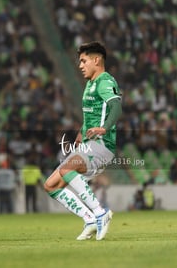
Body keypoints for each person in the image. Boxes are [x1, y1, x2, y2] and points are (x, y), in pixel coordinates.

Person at [43, 41, 122, 241]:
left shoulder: (105, 81)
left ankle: (100, 213)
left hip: (102, 144)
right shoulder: (90, 84)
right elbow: (91, 116)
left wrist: (104, 128)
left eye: (83, 61)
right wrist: (81, 132)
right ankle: (89, 219)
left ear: (96, 60)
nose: (80, 65)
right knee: (51, 185)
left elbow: (116, 107)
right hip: (89, 142)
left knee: (67, 170)